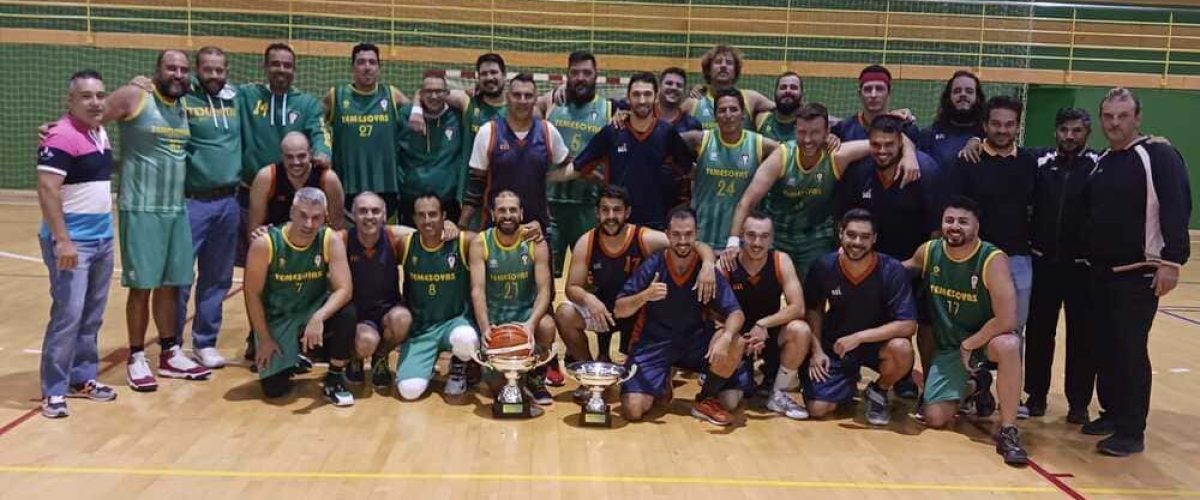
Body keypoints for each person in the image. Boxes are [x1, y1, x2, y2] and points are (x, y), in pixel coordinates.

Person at [1082, 87, 1190, 456]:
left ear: (1137, 118)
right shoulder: (1102, 160)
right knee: (1106, 348)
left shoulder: (1157, 154)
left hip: (1140, 273)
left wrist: (1171, 261)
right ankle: (1112, 413)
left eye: (1122, 116)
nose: (1114, 123)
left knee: (1129, 350)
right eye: (1108, 117)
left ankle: (1132, 430)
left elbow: (1177, 205)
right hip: (1102, 274)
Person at [103, 50, 211, 391]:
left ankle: (169, 352)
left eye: (183, 69)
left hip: (175, 209)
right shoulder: (135, 95)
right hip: (142, 208)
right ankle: (136, 356)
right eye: (171, 67)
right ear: (156, 71)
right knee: (142, 287)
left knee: (172, 284)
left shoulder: (181, 104)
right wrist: (58, 129)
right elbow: (91, 114)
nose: (178, 73)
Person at [903, 197, 1028, 466]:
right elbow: (897, 270)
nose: (954, 227)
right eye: (949, 220)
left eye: (963, 221)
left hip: (984, 341)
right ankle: (976, 385)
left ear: (976, 227)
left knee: (1009, 344)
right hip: (950, 347)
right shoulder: (929, 252)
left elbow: (1007, 319)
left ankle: (1008, 430)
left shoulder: (992, 259)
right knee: (935, 418)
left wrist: (971, 344)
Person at [728, 103, 920, 278]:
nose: (808, 139)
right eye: (802, 132)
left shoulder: (838, 155)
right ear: (795, 130)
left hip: (816, 237)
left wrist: (909, 153)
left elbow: (885, 141)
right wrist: (733, 242)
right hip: (779, 234)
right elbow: (747, 201)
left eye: (815, 132)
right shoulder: (782, 156)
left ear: (827, 131)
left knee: (813, 294)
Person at [554, 186, 717, 376]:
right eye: (605, 210)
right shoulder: (587, 241)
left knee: (643, 379)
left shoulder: (644, 237)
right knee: (564, 313)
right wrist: (590, 299)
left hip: (638, 313)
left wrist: (708, 264)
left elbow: (692, 244)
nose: (611, 216)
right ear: (597, 213)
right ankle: (590, 374)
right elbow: (572, 287)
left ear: (627, 212)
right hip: (603, 312)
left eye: (617, 210)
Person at [615, 208, 751, 426]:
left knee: (731, 396)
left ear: (696, 233)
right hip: (654, 343)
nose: (682, 241)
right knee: (633, 410)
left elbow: (736, 313)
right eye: (676, 234)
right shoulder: (653, 265)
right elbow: (619, 309)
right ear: (667, 234)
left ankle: (705, 399)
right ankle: (662, 377)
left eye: (688, 234)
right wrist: (644, 296)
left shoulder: (706, 270)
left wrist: (726, 337)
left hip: (695, 342)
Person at [36, 69, 119, 418]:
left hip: (102, 238)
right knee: (68, 315)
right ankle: (54, 390)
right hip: (74, 244)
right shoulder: (60, 136)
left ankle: (82, 378)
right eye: (86, 96)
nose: (95, 101)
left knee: (91, 315)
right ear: (71, 101)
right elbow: (47, 189)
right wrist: (63, 241)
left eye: (100, 95)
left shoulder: (100, 132)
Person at [243, 187, 356, 406]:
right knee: (274, 391)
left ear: (325, 217)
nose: (308, 224)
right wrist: (264, 339)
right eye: (303, 215)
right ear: (292, 212)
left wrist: (319, 317)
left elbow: (345, 289)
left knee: (347, 312)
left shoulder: (329, 239)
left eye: (316, 218)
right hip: (278, 317)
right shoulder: (265, 244)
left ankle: (334, 377)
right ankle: (291, 356)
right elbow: (252, 294)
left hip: (311, 309)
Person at [803, 209, 916, 425]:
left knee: (902, 349)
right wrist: (816, 351)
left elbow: (908, 324)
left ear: (874, 239)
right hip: (836, 345)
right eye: (851, 235)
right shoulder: (824, 266)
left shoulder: (892, 270)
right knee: (818, 409)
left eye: (865, 237)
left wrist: (859, 337)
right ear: (841, 233)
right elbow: (813, 309)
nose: (857, 242)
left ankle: (878, 391)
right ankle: (846, 383)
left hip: (877, 346)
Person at [1023, 107, 1100, 421]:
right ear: (1056, 131)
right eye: (1064, 130)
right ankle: (1036, 397)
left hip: (1082, 268)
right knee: (1040, 335)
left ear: (1087, 133)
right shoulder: (1039, 163)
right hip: (1043, 264)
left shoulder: (1099, 165)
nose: (1070, 136)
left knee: (1083, 337)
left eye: (1077, 131)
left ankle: (1079, 404)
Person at [176, 46, 242, 369]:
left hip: (230, 201)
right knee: (180, 276)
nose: (214, 75)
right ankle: (171, 344)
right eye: (208, 69)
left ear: (226, 71)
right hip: (194, 201)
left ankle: (205, 342)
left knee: (217, 277)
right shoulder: (183, 99)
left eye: (219, 70)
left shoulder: (236, 100)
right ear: (196, 71)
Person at [952, 96, 1036, 338]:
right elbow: (956, 211)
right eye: (996, 124)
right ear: (985, 125)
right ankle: (971, 377)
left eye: (1009, 124)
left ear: (1018, 126)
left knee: (1013, 331)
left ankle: (1009, 377)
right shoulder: (968, 160)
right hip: (975, 259)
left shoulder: (1030, 162)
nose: (1002, 130)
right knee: (971, 330)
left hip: (1018, 260)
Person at [570, 72, 695, 230]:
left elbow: (690, 171)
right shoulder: (613, 131)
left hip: (655, 225)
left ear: (656, 97)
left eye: (647, 94)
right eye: (636, 94)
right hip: (617, 223)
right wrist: (545, 175)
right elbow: (577, 167)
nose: (642, 100)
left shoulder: (667, 133)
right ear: (628, 98)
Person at [468, 190, 557, 406]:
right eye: (502, 210)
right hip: (496, 318)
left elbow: (544, 290)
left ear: (521, 213)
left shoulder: (535, 241)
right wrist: (485, 327)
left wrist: (531, 323)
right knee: (501, 390)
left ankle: (536, 376)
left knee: (547, 325)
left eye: (512, 210)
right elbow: (477, 291)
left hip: (525, 315)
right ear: (492, 213)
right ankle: (506, 375)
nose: (507, 215)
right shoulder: (481, 243)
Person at [723, 212, 812, 419]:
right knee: (729, 402)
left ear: (772, 239)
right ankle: (727, 374)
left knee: (800, 329)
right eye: (751, 235)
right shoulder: (727, 263)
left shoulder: (781, 261)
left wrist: (763, 325)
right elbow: (713, 313)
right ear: (742, 236)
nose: (757, 242)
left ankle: (778, 393)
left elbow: (798, 307)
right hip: (737, 337)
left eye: (764, 236)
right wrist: (738, 339)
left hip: (770, 334)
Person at [461, 73, 573, 233]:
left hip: (537, 229)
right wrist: (462, 225)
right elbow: (475, 187)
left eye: (528, 96)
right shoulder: (488, 131)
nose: (522, 100)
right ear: (507, 97)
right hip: (495, 231)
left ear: (535, 99)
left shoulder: (548, 131)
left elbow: (571, 165)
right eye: (517, 95)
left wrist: (591, 170)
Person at [395, 194, 481, 399]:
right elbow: (380, 231)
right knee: (408, 391)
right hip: (421, 329)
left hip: (455, 322)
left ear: (443, 215)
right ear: (414, 219)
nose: (427, 220)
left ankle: (459, 366)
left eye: (433, 214)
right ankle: (426, 364)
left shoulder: (463, 242)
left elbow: (493, 238)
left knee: (466, 338)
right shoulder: (405, 244)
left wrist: (456, 226)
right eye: (421, 215)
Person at [545, 51, 614, 279]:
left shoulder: (609, 109)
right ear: (567, 76)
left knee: (589, 278)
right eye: (575, 73)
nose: (580, 78)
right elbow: (517, 102)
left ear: (597, 76)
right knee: (544, 276)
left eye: (587, 73)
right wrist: (553, 92)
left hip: (588, 207)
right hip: (551, 205)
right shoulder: (552, 103)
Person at [683, 88, 780, 248]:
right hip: (702, 232)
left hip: (740, 238)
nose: (728, 115)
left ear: (743, 114)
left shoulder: (759, 143)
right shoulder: (700, 139)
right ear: (715, 116)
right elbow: (667, 141)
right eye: (722, 110)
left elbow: (789, 153)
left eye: (733, 109)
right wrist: (689, 171)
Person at [324, 42, 409, 219]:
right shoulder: (335, 96)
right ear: (352, 67)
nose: (367, 67)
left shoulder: (392, 94)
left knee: (385, 242)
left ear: (379, 67)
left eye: (372, 62)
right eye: (361, 62)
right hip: (347, 184)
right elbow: (314, 125)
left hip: (386, 184)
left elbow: (419, 112)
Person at [339, 192, 414, 389]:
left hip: (388, 309)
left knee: (403, 320)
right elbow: (311, 240)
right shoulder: (342, 240)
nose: (369, 216)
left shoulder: (395, 236)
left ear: (384, 215)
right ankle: (354, 358)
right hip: (359, 314)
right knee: (366, 342)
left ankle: (380, 357)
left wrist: (449, 228)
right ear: (353, 215)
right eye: (363, 211)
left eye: (375, 211)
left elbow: (430, 234)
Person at [397, 71, 464, 225]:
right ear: (421, 93)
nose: (434, 96)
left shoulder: (458, 116)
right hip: (411, 200)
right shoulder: (405, 115)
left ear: (447, 93)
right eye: (429, 91)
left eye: (439, 91)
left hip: (447, 201)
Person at [247, 132, 345, 234]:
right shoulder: (266, 178)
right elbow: (253, 229)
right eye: (290, 157)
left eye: (301, 156)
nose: (296, 162)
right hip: (277, 243)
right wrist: (259, 236)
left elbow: (338, 229)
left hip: (316, 243)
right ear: (282, 156)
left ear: (311, 154)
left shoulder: (327, 179)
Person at [683, 45, 773, 130]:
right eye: (718, 62)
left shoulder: (750, 98)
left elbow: (781, 109)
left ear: (735, 71)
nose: (723, 66)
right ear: (708, 70)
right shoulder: (694, 102)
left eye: (729, 63)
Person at [830, 65, 918, 144]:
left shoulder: (905, 129)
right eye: (868, 89)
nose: (873, 95)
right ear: (859, 93)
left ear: (889, 92)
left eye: (879, 89)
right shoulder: (841, 131)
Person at [917, 70, 985, 171]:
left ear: (977, 97)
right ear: (948, 97)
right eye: (957, 91)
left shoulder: (986, 136)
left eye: (969, 91)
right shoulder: (929, 134)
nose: (963, 94)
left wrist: (979, 139)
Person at [755, 72, 804, 142]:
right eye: (783, 87)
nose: (788, 91)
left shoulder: (808, 123)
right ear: (775, 92)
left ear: (802, 94)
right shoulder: (761, 120)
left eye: (793, 87)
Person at [655, 67, 702, 135]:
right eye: (669, 83)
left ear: (684, 90)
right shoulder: (645, 118)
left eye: (679, 85)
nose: (674, 87)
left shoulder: (692, 125)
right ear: (659, 87)